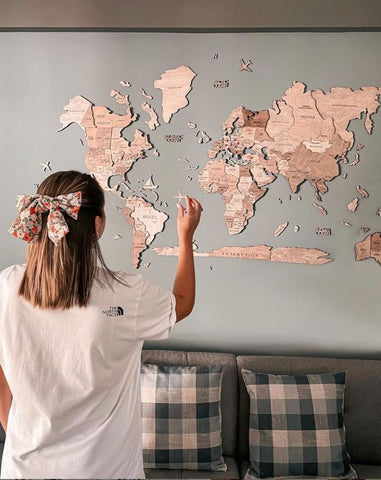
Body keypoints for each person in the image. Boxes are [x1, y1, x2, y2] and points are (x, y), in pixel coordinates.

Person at [0, 170, 202, 479]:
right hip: (107, 471)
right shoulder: (126, 293)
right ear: (96, 225)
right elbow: (182, 302)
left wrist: (17, 431)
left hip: (24, 469)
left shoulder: (6, 286)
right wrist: (186, 238)